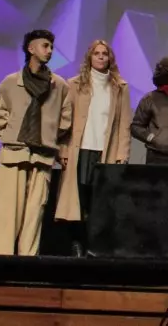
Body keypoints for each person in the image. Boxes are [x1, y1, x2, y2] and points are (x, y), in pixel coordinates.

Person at [0, 29, 72, 255]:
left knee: (35, 213)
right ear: (30, 48)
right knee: (6, 210)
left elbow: (65, 118)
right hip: (15, 153)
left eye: (52, 47)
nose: (50, 51)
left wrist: (48, 134)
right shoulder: (11, 82)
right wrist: (12, 135)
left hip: (42, 155)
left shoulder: (59, 85)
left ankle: (27, 262)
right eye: (45, 46)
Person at [54, 40, 132, 257]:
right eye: (96, 53)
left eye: (104, 54)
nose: (100, 57)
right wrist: (61, 148)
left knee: (100, 201)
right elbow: (64, 119)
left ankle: (95, 246)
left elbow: (124, 123)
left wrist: (122, 154)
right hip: (79, 150)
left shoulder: (120, 87)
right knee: (77, 199)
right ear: (89, 57)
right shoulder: (75, 84)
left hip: (105, 151)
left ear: (110, 58)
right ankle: (77, 243)